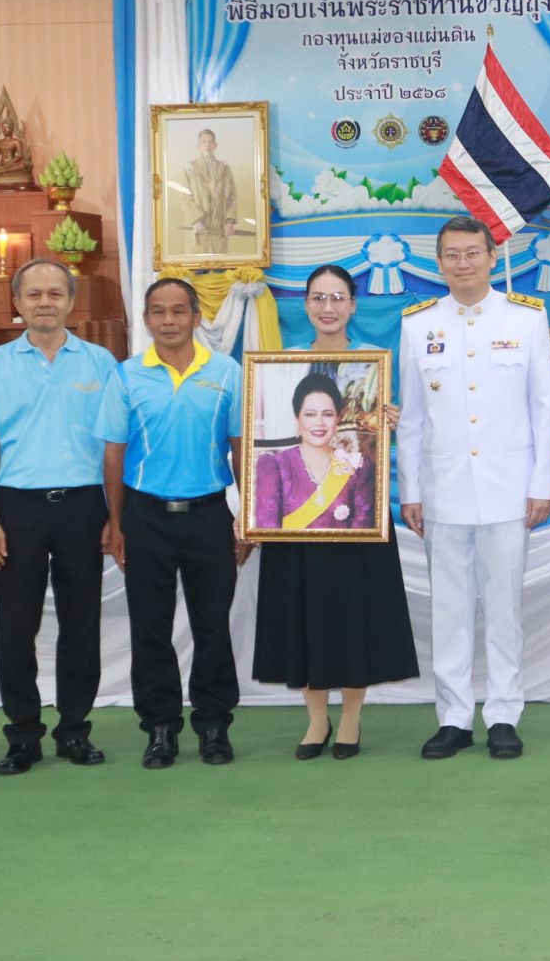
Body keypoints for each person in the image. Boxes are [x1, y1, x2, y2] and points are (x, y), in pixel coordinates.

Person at [397, 216, 550, 761]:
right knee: (451, 607)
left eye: (471, 253)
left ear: (492, 255)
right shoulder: (418, 325)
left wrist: (541, 485)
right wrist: (410, 490)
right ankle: (455, 717)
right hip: (442, 491)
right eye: (451, 255)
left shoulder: (527, 320)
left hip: (509, 490)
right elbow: (412, 418)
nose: (462, 264)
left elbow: (541, 409)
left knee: (504, 608)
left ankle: (505, 713)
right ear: (437, 263)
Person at [251, 264, 419, 759]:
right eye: (318, 298)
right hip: (297, 518)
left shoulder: (372, 366)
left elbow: (374, 451)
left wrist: (390, 424)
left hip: (357, 513)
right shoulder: (283, 366)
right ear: (305, 305)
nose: (328, 307)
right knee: (301, 615)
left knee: (354, 616)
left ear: (352, 305)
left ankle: (350, 720)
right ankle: (315, 721)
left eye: (337, 298)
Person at [0, 259, 122, 775]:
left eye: (55, 294)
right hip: (16, 508)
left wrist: (112, 514)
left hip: (82, 505)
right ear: (17, 302)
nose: (44, 303)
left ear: (71, 302)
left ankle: (75, 730)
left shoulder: (101, 363)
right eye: (33, 294)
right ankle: (23, 735)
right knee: (16, 626)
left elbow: (112, 446)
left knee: (81, 625)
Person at [99, 279, 248, 771]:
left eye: (179, 311)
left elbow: (241, 448)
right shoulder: (126, 376)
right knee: (151, 628)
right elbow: (114, 455)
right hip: (145, 519)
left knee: (212, 627)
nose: (168, 321)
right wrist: (115, 522)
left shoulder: (226, 372)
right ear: (146, 320)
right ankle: (160, 728)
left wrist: (245, 516)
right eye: (158, 312)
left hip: (209, 515)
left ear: (195, 317)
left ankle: (213, 725)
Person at [253, 375, 377, 531]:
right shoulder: (273, 466)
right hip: (288, 554)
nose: (319, 422)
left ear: (338, 418)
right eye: (310, 414)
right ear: (297, 418)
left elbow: (362, 532)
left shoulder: (358, 467)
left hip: (345, 553)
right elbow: (268, 531)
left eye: (327, 414)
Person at [181, 127, 241, 253]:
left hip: (219, 229)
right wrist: (196, 220)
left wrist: (230, 221)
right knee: (197, 268)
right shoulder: (189, 168)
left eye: (210, 142)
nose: (207, 145)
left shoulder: (224, 169)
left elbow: (232, 197)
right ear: (198, 145)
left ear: (215, 145)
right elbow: (184, 197)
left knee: (219, 267)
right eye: (204, 141)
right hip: (198, 230)